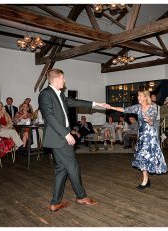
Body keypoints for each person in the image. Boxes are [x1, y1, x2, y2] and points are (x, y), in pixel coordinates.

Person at [38, 68, 106, 211]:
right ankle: (81, 197)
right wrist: (66, 134)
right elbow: (49, 117)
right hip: (59, 138)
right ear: (56, 78)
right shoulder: (45, 94)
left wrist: (96, 104)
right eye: (63, 78)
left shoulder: (60, 95)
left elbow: (75, 102)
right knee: (73, 167)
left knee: (61, 169)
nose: (65, 80)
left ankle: (55, 202)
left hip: (60, 137)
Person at [106, 91, 166, 190]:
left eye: (140, 95)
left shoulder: (152, 107)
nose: (138, 97)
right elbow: (125, 109)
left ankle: (145, 180)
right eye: (138, 95)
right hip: (142, 135)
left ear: (145, 97)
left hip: (150, 137)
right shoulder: (138, 107)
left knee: (148, 158)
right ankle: (146, 180)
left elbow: (154, 121)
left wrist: (149, 120)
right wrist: (111, 107)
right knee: (141, 157)